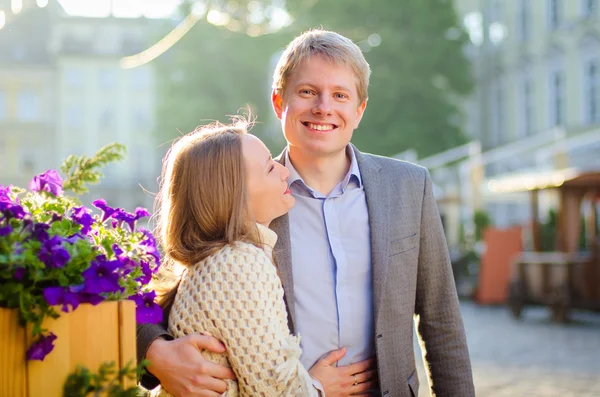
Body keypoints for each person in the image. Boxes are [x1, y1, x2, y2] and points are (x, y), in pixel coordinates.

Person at [139, 29, 475, 397]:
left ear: (359, 110)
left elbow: (441, 319)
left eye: (340, 95)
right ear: (279, 102)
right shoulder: (244, 192)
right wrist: (154, 351)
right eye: (307, 92)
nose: (323, 108)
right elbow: (173, 285)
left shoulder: (409, 186)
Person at [147, 121, 376, 396]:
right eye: (270, 167)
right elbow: (273, 390)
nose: (284, 171)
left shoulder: (217, 263)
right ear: (233, 194)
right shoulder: (239, 264)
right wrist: (317, 388)